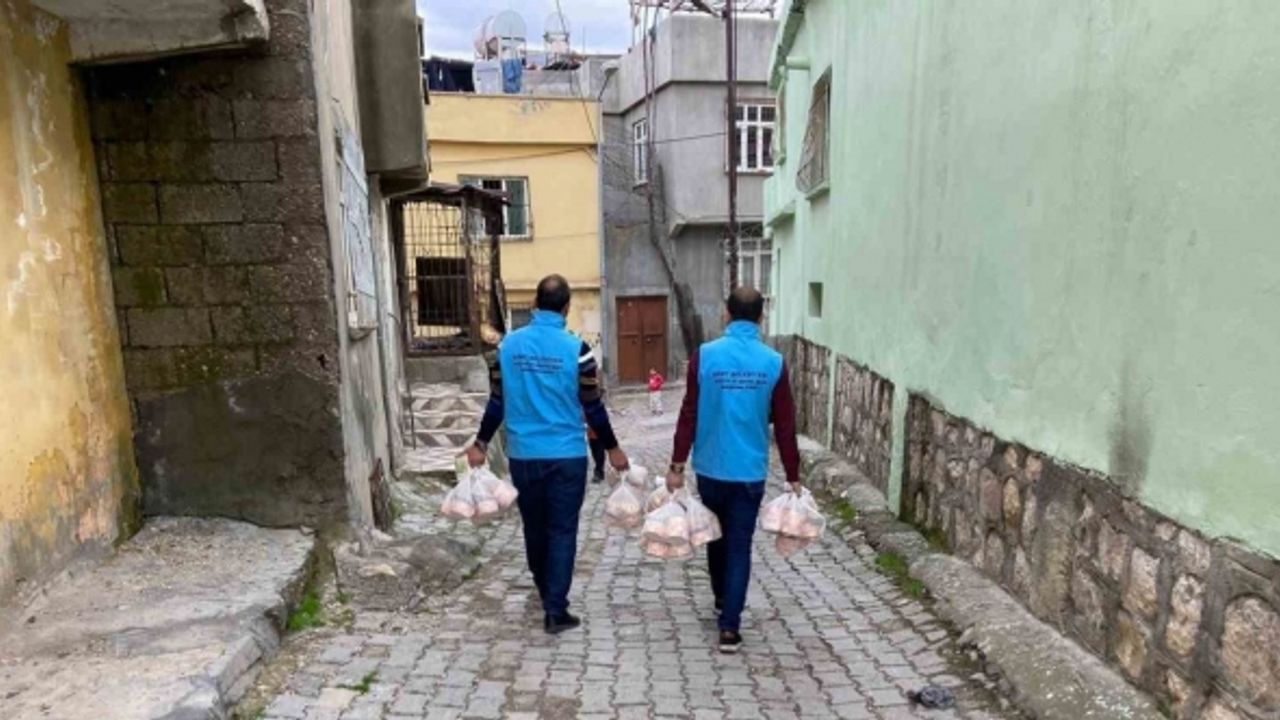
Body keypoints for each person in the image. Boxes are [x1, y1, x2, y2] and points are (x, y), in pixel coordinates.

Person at [465, 274, 630, 634]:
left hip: (524, 455)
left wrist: (480, 443)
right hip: (567, 456)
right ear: (567, 307)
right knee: (562, 529)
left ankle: (544, 586)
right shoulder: (579, 349)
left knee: (535, 526)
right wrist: (613, 449)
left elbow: (497, 401)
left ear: (536, 305)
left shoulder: (507, 348)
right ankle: (556, 609)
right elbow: (593, 407)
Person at [665, 286, 801, 654]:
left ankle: (723, 600)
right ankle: (730, 627)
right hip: (750, 472)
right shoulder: (773, 363)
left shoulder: (704, 357)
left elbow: (689, 412)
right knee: (739, 545)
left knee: (715, 537)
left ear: (727, 313)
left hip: (711, 468)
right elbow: (785, 425)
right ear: (761, 316)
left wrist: (677, 464)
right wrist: (793, 473)